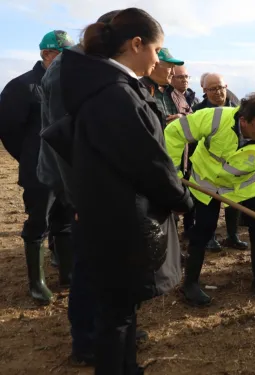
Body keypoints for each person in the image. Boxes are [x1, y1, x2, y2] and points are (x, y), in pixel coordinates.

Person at [62, 8, 193, 374]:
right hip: (119, 218)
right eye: (156, 49)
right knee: (115, 313)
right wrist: (182, 199)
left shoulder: (105, 87)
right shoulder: (115, 94)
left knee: (121, 306)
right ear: (137, 44)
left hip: (107, 211)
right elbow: (147, 163)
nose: (158, 58)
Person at [38, 11, 121, 365]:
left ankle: (111, 325)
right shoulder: (67, 71)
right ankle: (85, 341)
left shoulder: (96, 65)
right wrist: (78, 199)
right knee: (89, 264)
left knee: (107, 261)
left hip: (96, 184)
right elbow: (63, 141)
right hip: (77, 184)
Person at [165, 93, 255, 304]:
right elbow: (174, 132)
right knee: (203, 230)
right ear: (243, 120)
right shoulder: (215, 118)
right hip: (207, 183)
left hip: (245, 186)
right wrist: (174, 173)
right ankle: (190, 284)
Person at [0, 29, 74, 305]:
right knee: (38, 223)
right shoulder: (22, 87)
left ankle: (68, 272)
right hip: (37, 171)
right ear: (47, 54)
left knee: (64, 222)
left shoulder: (66, 87)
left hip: (65, 168)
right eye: (63, 55)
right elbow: (8, 130)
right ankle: (37, 282)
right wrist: (30, 157)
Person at [189, 73, 248, 251]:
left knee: (233, 203)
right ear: (204, 91)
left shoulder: (238, 109)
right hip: (207, 170)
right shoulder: (198, 111)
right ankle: (210, 237)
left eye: (221, 88)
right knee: (208, 205)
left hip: (233, 167)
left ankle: (232, 235)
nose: (218, 92)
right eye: (212, 89)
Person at [140, 47, 184, 126]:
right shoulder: (138, 89)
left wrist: (182, 118)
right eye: (170, 67)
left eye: (174, 68)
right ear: (155, 65)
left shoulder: (176, 93)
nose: (173, 73)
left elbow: (191, 115)